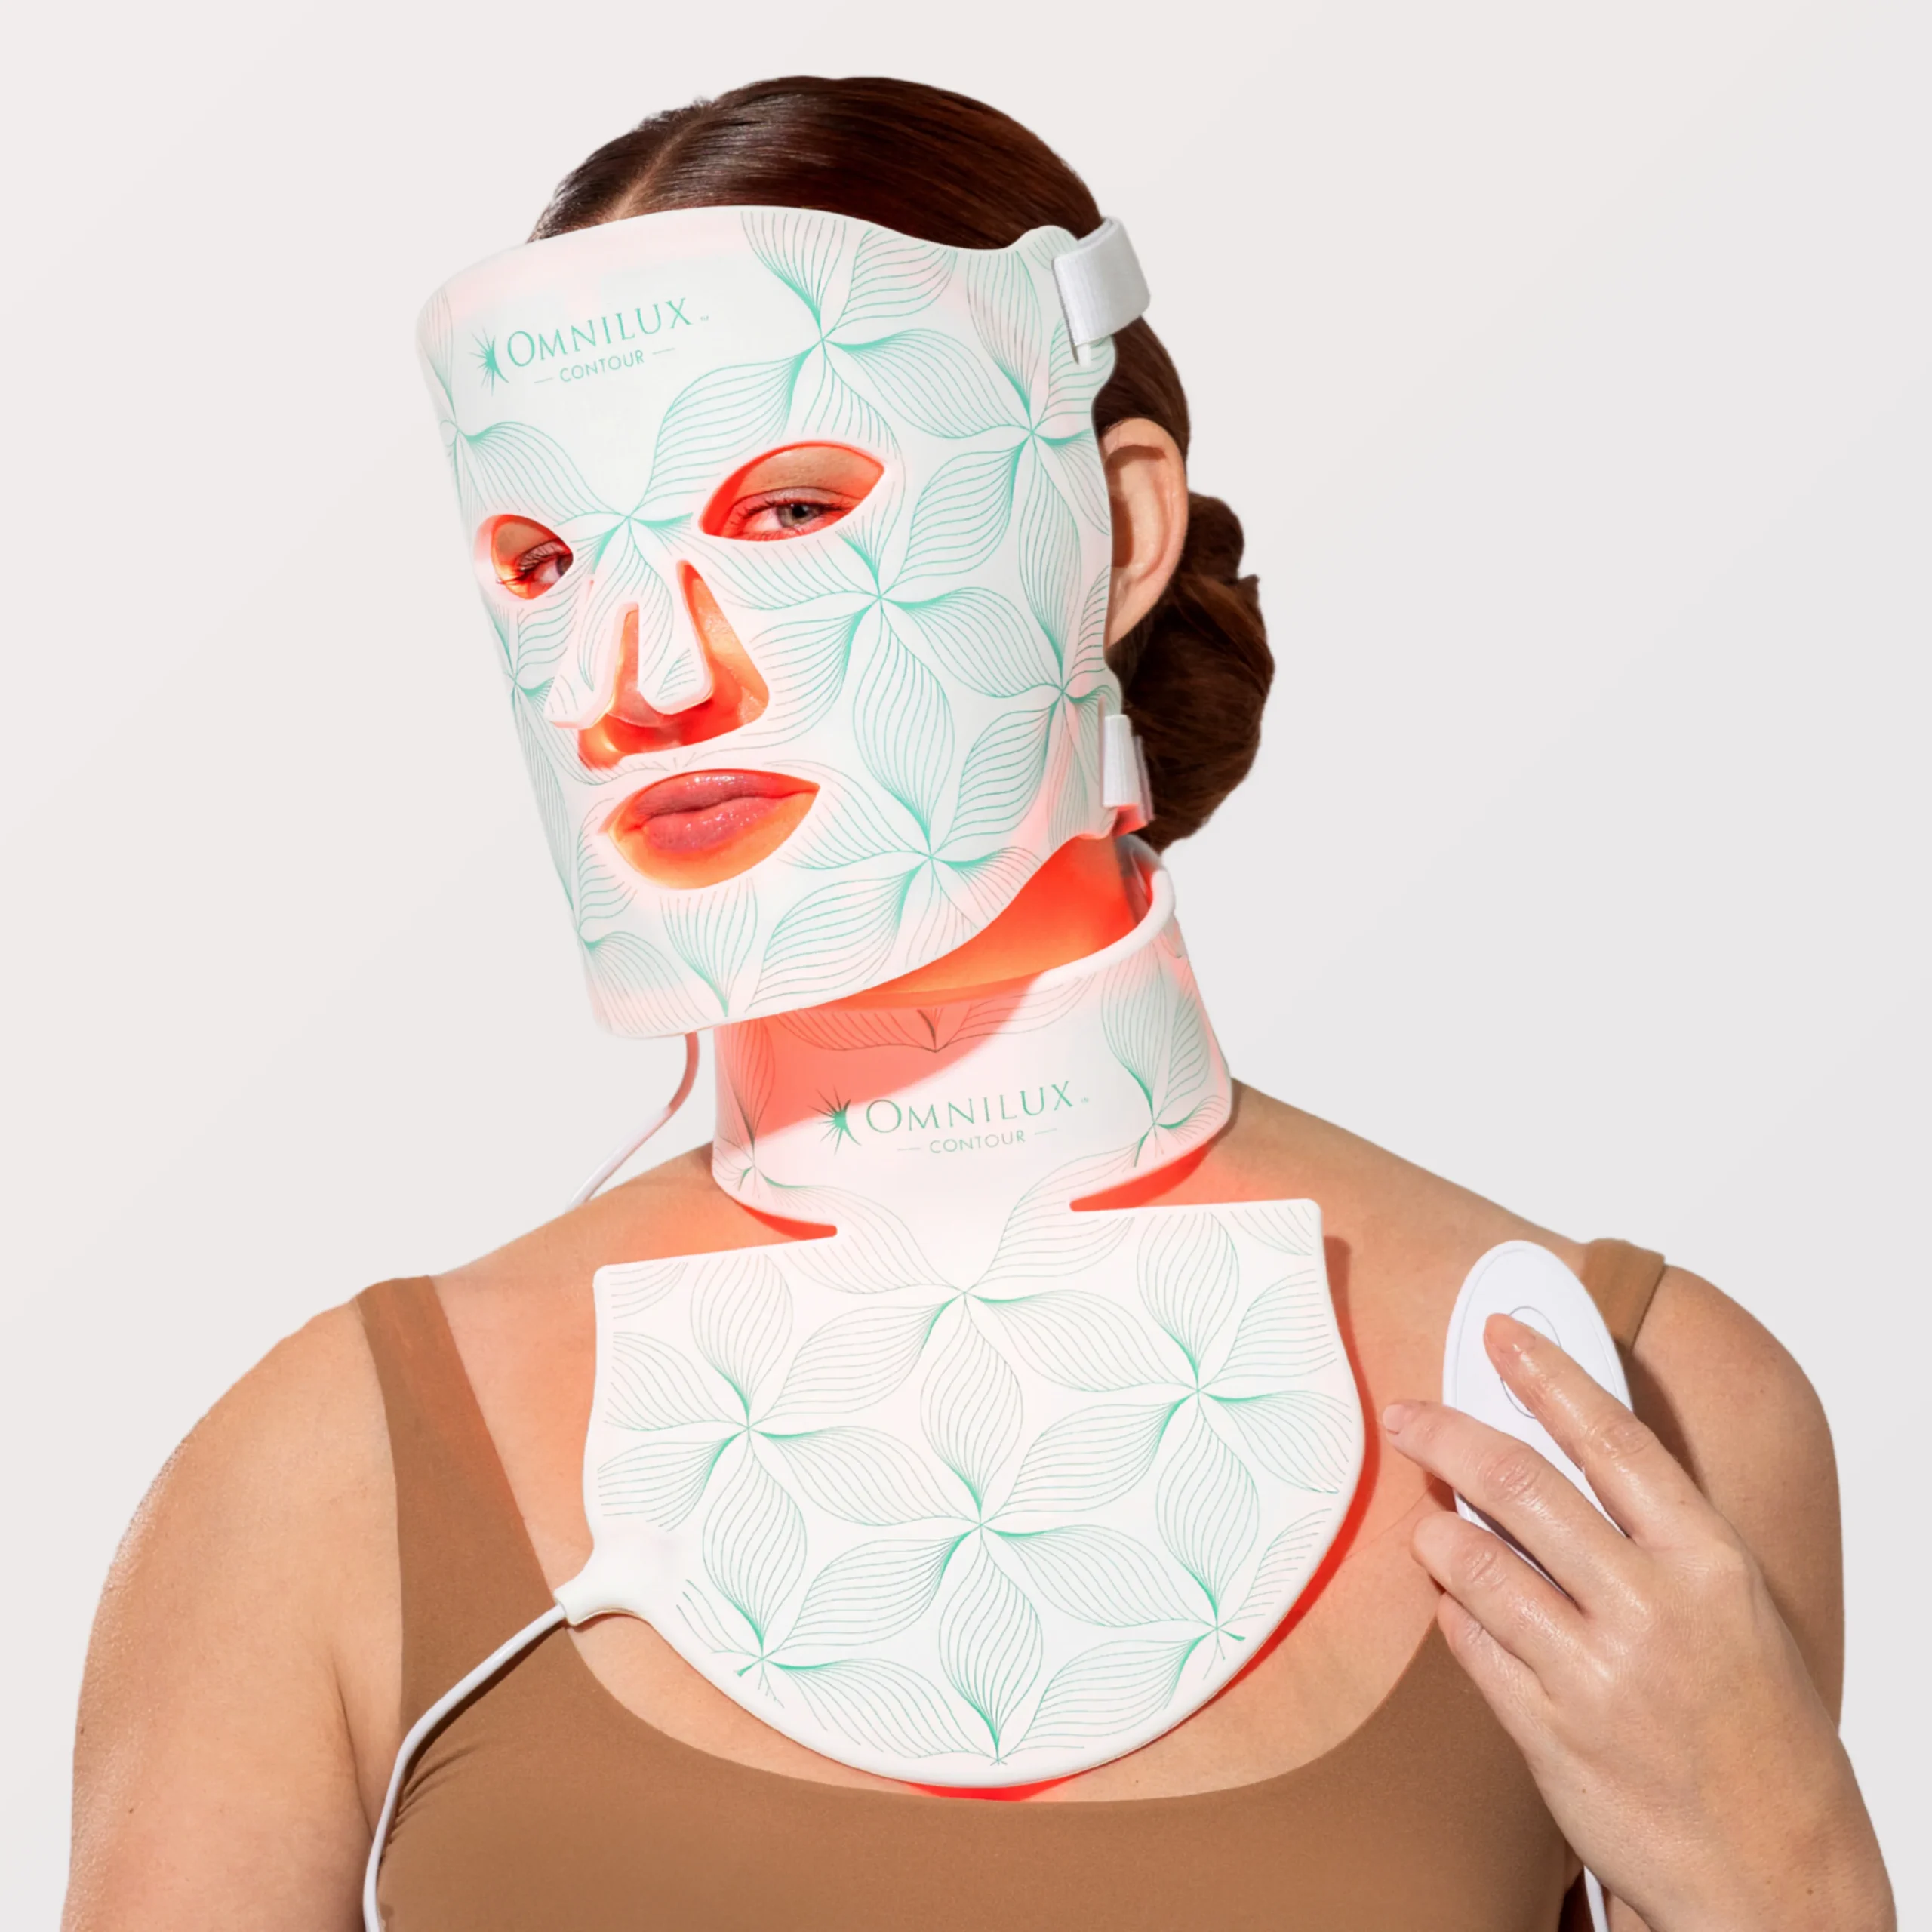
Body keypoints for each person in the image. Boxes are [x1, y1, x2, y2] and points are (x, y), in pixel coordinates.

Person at [63, 75, 1891, 1932]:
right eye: (547, 562)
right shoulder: (324, 1474)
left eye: (788, 508)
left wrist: (1787, 1863)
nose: (645, 674)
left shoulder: (1632, 1401)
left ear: (1115, 530)